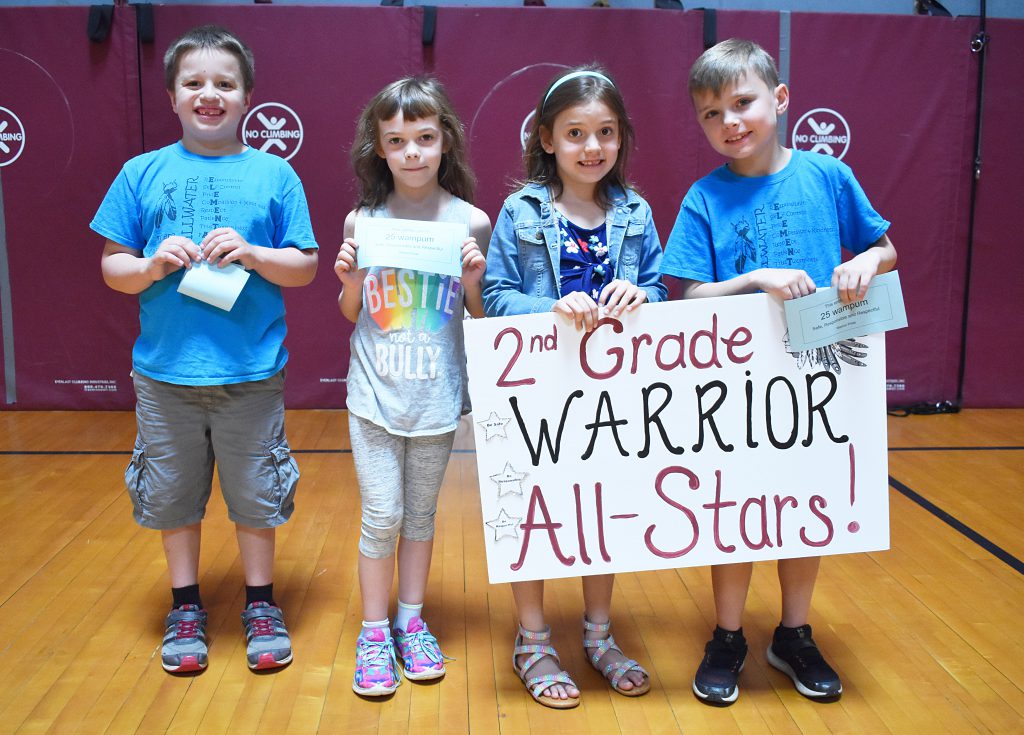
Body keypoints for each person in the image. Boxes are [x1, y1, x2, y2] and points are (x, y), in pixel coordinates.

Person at [661, 38, 898, 705]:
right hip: (735, 388)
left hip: (819, 378)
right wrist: (754, 277)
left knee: (804, 506)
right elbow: (688, 296)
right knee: (738, 508)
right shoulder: (704, 196)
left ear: (780, 99)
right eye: (712, 114)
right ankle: (728, 635)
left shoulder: (827, 176)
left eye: (742, 103)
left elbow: (886, 248)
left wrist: (868, 263)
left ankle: (793, 632)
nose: (730, 122)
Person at [92, 25, 318, 674]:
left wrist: (252, 254)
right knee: (172, 497)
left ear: (247, 95)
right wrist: (153, 264)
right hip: (164, 376)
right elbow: (113, 267)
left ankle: (260, 601)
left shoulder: (274, 174)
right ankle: (185, 603)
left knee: (256, 494)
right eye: (194, 83)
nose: (209, 94)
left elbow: (303, 266)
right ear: (171, 96)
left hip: (252, 373)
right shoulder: (141, 173)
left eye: (225, 82)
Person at [482, 65, 666, 709]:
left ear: (622, 139)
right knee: (534, 512)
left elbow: (663, 291)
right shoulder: (521, 209)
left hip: (613, 396)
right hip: (538, 391)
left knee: (601, 511)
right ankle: (532, 639)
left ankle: (598, 634)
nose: (592, 146)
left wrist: (642, 292)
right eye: (577, 132)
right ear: (547, 139)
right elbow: (494, 297)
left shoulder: (636, 212)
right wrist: (549, 307)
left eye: (606, 133)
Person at [335, 76, 491, 697]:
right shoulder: (362, 218)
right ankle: (374, 632)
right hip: (373, 394)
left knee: (421, 517)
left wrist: (475, 279)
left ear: (445, 141)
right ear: (377, 147)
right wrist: (349, 279)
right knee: (382, 515)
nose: (412, 153)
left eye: (425, 138)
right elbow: (353, 312)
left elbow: (478, 317)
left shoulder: (470, 221)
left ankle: (410, 620)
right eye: (397, 140)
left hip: (436, 397)